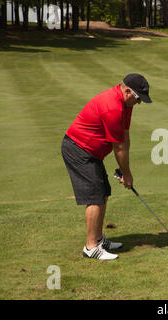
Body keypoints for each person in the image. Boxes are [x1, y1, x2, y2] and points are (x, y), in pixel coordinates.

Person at [61, 74, 152, 260]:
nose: (139, 103)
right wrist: (126, 174)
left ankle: (98, 239)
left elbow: (124, 136)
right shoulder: (112, 107)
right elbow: (117, 147)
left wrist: (126, 172)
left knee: (103, 192)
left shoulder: (125, 104)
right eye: (138, 98)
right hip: (79, 149)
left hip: (90, 152)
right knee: (95, 196)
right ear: (127, 91)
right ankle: (91, 247)